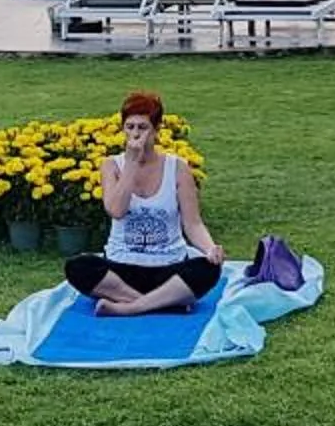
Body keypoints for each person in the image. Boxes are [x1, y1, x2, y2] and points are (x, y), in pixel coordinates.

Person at [64, 92, 228, 316]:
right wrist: (131, 163)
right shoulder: (111, 165)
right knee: (78, 267)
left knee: (207, 269)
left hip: (168, 266)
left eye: (142, 127)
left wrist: (210, 249)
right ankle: (165, 303)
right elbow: (116, 210)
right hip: (121, 267)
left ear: (156, 130)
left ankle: (129, 307)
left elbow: (193, 223)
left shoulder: (178, 167)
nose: (135, 134)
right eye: (129, 127)